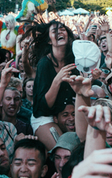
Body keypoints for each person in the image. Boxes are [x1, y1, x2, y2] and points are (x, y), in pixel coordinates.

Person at [28, 21, 78, 150]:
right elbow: (42, 107)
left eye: (62, 29)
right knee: (65, 150)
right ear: (49, 41)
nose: (60, 32)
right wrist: (57, 80)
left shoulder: (73, 59)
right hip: (45, 117)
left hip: (66, 115)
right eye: (54, 31)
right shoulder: (45, 64)